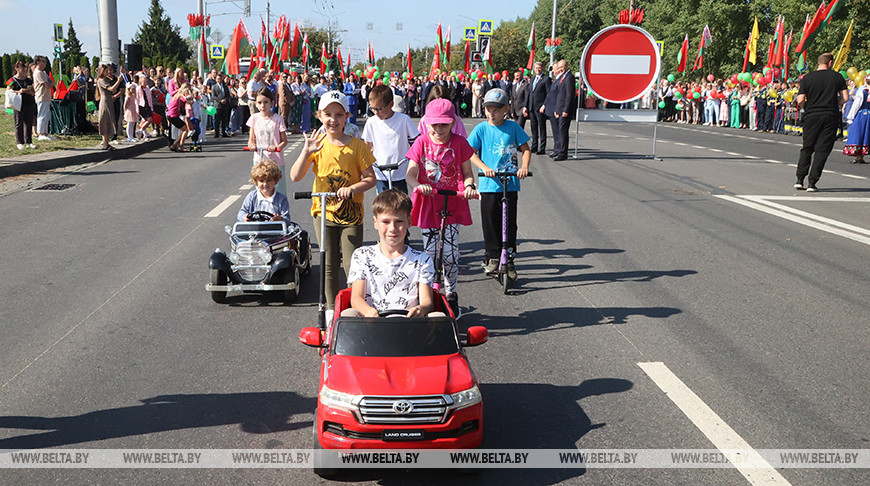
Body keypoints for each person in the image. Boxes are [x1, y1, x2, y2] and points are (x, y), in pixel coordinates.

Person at [290, 91, 377, 310]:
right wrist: (305, 151)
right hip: (324, 212)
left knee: (352, 265)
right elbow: (295, 176)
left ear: (347, 116)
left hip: (352, 214)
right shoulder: (317, 144)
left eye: (338, 114)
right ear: (319, 115)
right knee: (329, 265)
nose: (333, 120)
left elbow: (370, 179)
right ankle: (331, 310)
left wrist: (353, 188)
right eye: (328, 114)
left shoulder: (358, 146)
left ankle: (356, 308)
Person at [405, 98, 478, 317]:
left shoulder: (459, 143)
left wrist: (469, 186)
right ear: (427, 123)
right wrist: (418, 186)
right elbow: (410, 173)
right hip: (429, 202)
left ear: (452, 122)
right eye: (435, 124)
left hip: (452, 202)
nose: (439, 129)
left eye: (444, 124)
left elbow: (466, 173)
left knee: (450, 254)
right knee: (430, 253)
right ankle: (429, 295)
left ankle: (451, 293)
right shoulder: (422, 142)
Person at [342, 190, 446, 318]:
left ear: (409, 222)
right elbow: (357, 298)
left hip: (409, 324)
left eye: (399, 222)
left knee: (439, 316)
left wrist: (420, 309)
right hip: (371, 323)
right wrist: (368, 311)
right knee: (348, 314)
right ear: (376, 223)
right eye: (385, 222)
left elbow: (427, 302)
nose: (392, 228)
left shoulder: (422, 260)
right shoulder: (362, 255)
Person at [467, 88, 531, 280]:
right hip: (488, 184)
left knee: (510, 223)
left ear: (506, 108)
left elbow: (526, 149)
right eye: (488, 109)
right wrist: (484, 167)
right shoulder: (481, 129)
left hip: (509, 183)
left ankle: (509, 258)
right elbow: (470, 152)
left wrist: (524, 167)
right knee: (490, 222)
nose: (491, 113)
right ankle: (492, 257)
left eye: (496, 109)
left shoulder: (513, 128)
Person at [794, 53, 849, 192]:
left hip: (811, 115)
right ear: (830, 63)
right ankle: (812, 182)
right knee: (822, 150)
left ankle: (800, 179)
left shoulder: (808, 77)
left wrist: (808, 108)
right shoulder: (837, 77)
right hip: (830, 115)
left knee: (807, 147)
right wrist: (834, 103)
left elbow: (800, 100)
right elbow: (845, 98)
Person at [363, 84, 420, 194]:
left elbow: (416, 143)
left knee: (401, 204)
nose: (376, 112)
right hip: (380, 171)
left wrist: (411, 159)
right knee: (383, 205)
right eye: (373, 108)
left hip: (401, 171)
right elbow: (367, 145)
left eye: (379, 109)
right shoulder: (371, 122)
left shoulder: (403, 120)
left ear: (391, 104)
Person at [247, 88, 289, 192]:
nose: (262, 105)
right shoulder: (254, 118)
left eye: (266, 102)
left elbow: (284, 141)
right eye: (259, 102)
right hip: (260, 159)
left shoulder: (278, 119)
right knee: (260, 190)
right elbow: (251, 139)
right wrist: (251, 145)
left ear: (272, 103)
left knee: (279, 190)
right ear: (256, 104)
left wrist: (276, 148)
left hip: (275, 161)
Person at [237, 160, 292, 225]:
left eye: (269, 180)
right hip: (254, 231)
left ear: (275, 181)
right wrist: (244, 217)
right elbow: (241, 212)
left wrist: (280, 219)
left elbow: (287, 219)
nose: (265, 184)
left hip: (275, 231)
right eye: (261, 181)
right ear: (256, 182)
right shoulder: (252, 196)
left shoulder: (281, 198)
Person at [8, 61, 37, 150]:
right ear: (16, 68)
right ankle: (19, 142)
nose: (23, 69)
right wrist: (19, 91)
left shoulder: (28, 80)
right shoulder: (12, 80)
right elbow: (8, 92)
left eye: (24, 67)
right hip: (18, 104)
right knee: (18, 123)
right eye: (21, 67)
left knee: (28, 123)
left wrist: (29, 91)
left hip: (29, 103)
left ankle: (29, 141)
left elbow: (33, 92)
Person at [551, 59, 577, 161]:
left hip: (565, 111)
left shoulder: (569, 77)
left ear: (567, 66)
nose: (561, 69)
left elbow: (569, 96)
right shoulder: (563, 77)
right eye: (559, 67)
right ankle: (560, 151)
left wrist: (565, 110)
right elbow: (559, 95)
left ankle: (563, 153)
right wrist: (557, 110)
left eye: (562, 67)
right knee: (560, 132)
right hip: (560, 110)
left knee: (563, 132)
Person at [524, 61, 551, 155]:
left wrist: (544, 105)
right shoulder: (532, 79)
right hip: (532, 107)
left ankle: (542, 147)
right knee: (533, 128)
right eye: (536, 68)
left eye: (539, 68)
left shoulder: (546, 79)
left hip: (540, 107)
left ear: (542, 68)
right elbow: (529, 93)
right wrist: (525, 106)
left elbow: (549, 94)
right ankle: (534, 146)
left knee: (542, 128)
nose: (537, 70)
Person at [843, 75, 870, 164]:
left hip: (862, 115)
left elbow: (856, 105)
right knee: (866, 135)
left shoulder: (862, 91)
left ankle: (859, 156)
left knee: (859, 134)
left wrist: (850, 117)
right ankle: (860, 156)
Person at [96, 64, 123, 150]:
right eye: (106, 70)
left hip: (109, 102)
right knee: (105, 120)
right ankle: (105, 142)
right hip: (105, 102)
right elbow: (111, 89)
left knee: (109, 121)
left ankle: (106, 142)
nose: (108, 72)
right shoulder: (101, 80)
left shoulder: (105, 80)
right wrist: (118, 81)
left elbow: (114, 90)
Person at [32, 56, 55, 141]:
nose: (45, 63)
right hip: (41, 96)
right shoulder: (38, 72)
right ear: (38, 62)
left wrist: (51, 83)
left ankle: (45, 133)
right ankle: (40, 133)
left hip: (46, 97)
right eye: (43, 61)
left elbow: (52, 82)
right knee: (42, 115)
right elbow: (48, 85)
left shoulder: (43, 72)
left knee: (46, 115)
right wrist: (50, 83)